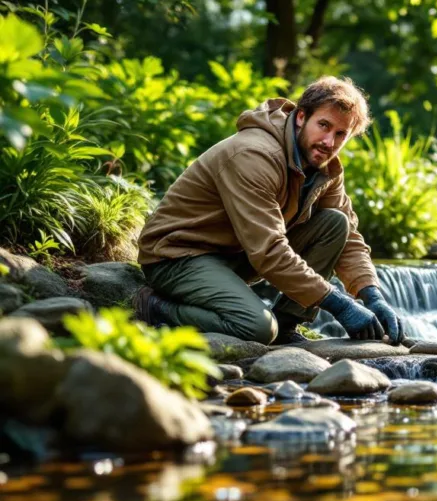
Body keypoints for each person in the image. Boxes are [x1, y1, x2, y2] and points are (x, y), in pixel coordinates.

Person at [132, 76, 404, 346]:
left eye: (340, 134)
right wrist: (339, 304)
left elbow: (349, 237)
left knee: (335, 223)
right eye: (324, 125)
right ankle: (157, 309)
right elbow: (269, 250)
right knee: (257, 327)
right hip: (177, 255)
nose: (329, 142)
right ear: (301, 117)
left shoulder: (325, 167)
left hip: (236, 252)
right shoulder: (254, 155)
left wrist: (372, 295)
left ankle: (286, 325)